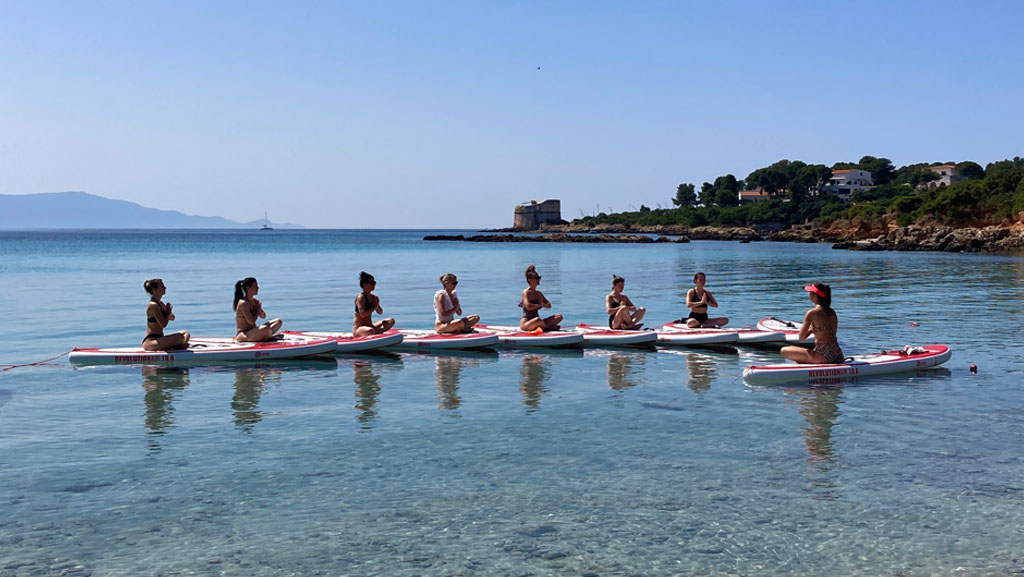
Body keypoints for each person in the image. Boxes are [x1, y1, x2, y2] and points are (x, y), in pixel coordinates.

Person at [781, 283, 845, 364]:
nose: (809, 295)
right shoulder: (832, 312)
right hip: (837, 354)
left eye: (810, 293)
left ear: (815, 296)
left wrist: (811, 330)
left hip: (823, 355)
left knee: (785, 350)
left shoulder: (812, 313)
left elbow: (801, 338)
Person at [142, 279, 190, 351]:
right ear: (154, 290)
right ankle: (178, 345)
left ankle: (178, 345)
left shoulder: (160, 303)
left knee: (186, 333)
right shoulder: (153, 305)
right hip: (151, 342)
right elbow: (163, 324)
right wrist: (167, 314)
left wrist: (168, 313)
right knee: (181, 338)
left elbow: (172, 318)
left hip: (160, 339)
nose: (165, 288)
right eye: (162, 286)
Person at [233, 277, 283, 342]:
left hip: (254, 331)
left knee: (278, 321)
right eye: (255, 286)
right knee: (266, 328)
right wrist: (257, 311)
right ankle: (270, 337)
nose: (258, 288)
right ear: (248, 288)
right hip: (244, 334)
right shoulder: (243, 303)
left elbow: (263, 316)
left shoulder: (254, 301)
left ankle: (267, 336)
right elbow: (251, 321)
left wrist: (260, 311)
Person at [519, 265, 563, 332]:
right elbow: (528, 306)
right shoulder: (526, 292)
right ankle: (549, 328)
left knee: (559, 317)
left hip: (538, 322)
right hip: (527, 323)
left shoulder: (538, 293)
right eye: (536, 278)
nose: (538, 280)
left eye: (539, 278)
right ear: (529, 280)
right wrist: (540, 305)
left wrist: (543, 305)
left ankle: (544, 327)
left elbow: (549, 305)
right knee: (537, 320)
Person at [353, 271, 396, 337]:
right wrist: (374, 306)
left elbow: (380, 312)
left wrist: (377, 304)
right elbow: (363, 314)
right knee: (370, 330)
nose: (374, 285)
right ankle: (376, 332)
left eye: (374, 283)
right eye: (372, 283)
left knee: (391, 321)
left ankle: (378, 332)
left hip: (370, 326)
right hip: (359, 329)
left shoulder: (373, 297)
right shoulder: (360, 297)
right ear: (365, 284)